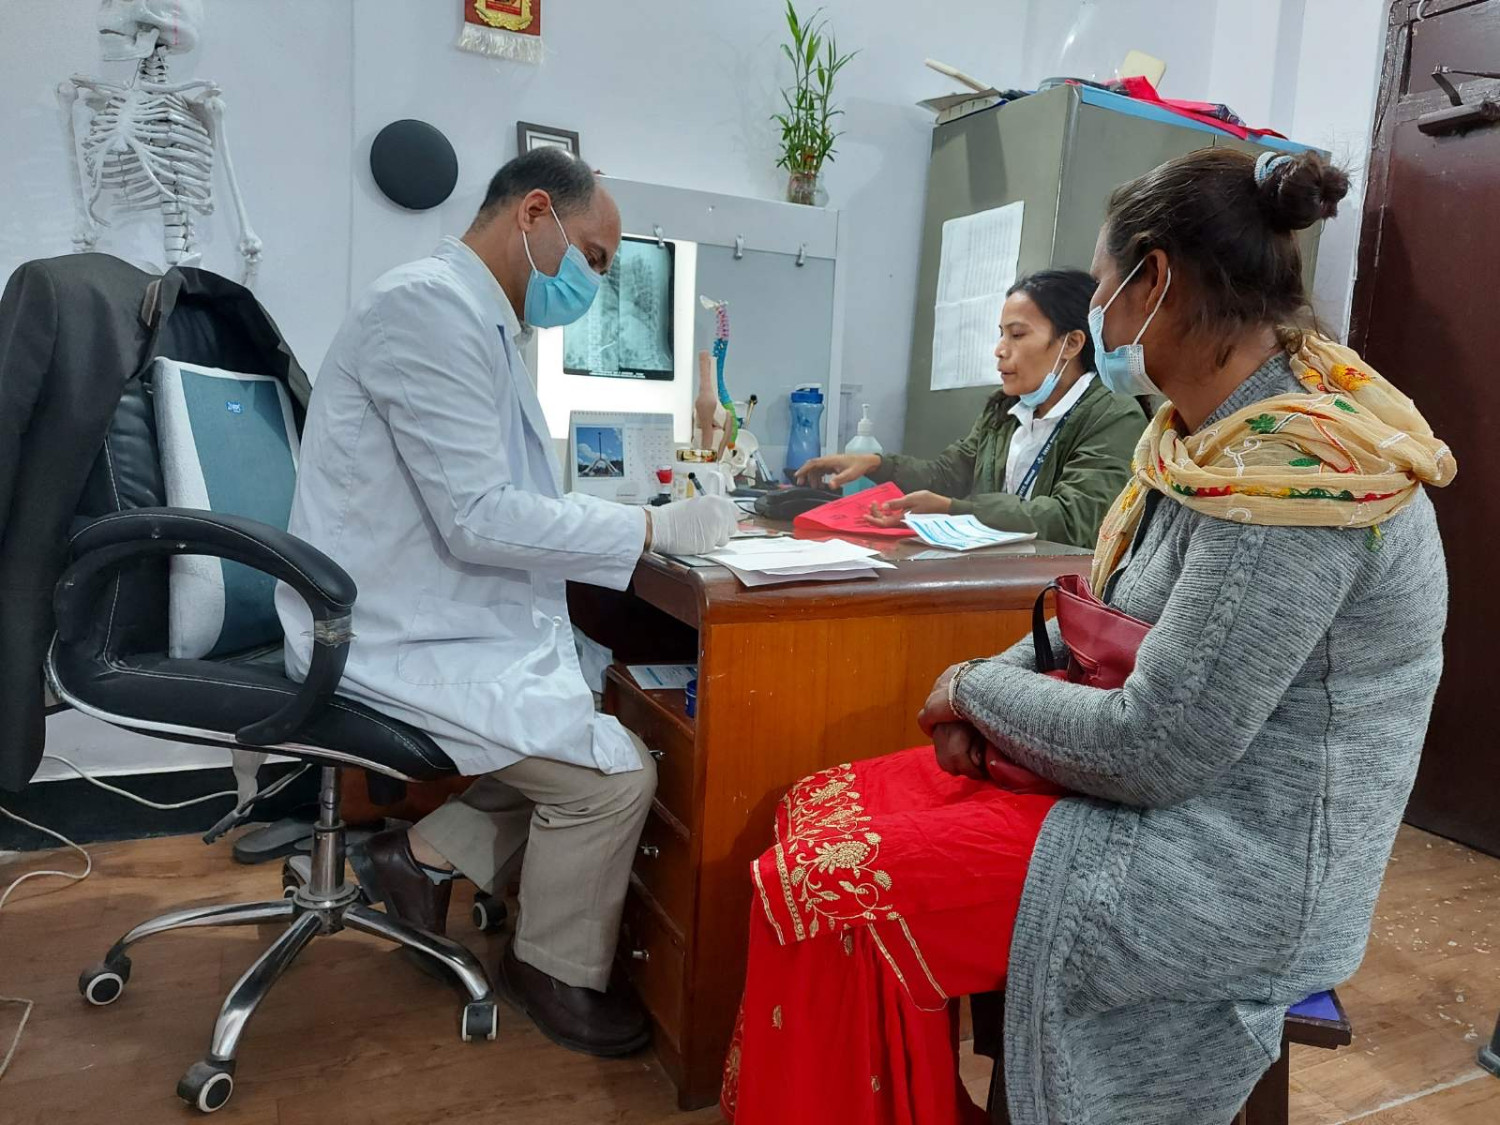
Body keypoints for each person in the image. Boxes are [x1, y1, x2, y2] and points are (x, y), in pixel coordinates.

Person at [722, 147, 1455, 1125]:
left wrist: (974, 690)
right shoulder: (1197, 440)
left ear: (1157, 283)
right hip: (1152, 797)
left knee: (825, 891)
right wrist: (987, 686)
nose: (1098, 320)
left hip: (1230, 861)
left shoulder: (1296, 478)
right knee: (814, 812)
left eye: (1104, 291)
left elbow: (1157, 746)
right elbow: (1090, 624)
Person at [275, 148, 739, 1057]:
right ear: (535, 214)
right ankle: (551, 969)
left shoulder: (477, 319)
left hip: (429, 611)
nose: (593, 283)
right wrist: (651, 529)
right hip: (385, 633)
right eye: (594, 258)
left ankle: (420, 857)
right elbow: (481, 516)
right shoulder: (427, 311)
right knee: (614, 778)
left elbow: (495, 497)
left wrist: (631, 523)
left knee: (585, 708)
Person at [795, 269, 1145, 549]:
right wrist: (875, 464)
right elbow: (948, 475)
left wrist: (957, 510)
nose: (1000, 350)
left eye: (1017, 335)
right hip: (998, 575)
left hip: (1057, 587)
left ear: (1071, 343)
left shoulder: (1113, 416)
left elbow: (1074, 520)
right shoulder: (1005, 410)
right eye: (1001, 334)